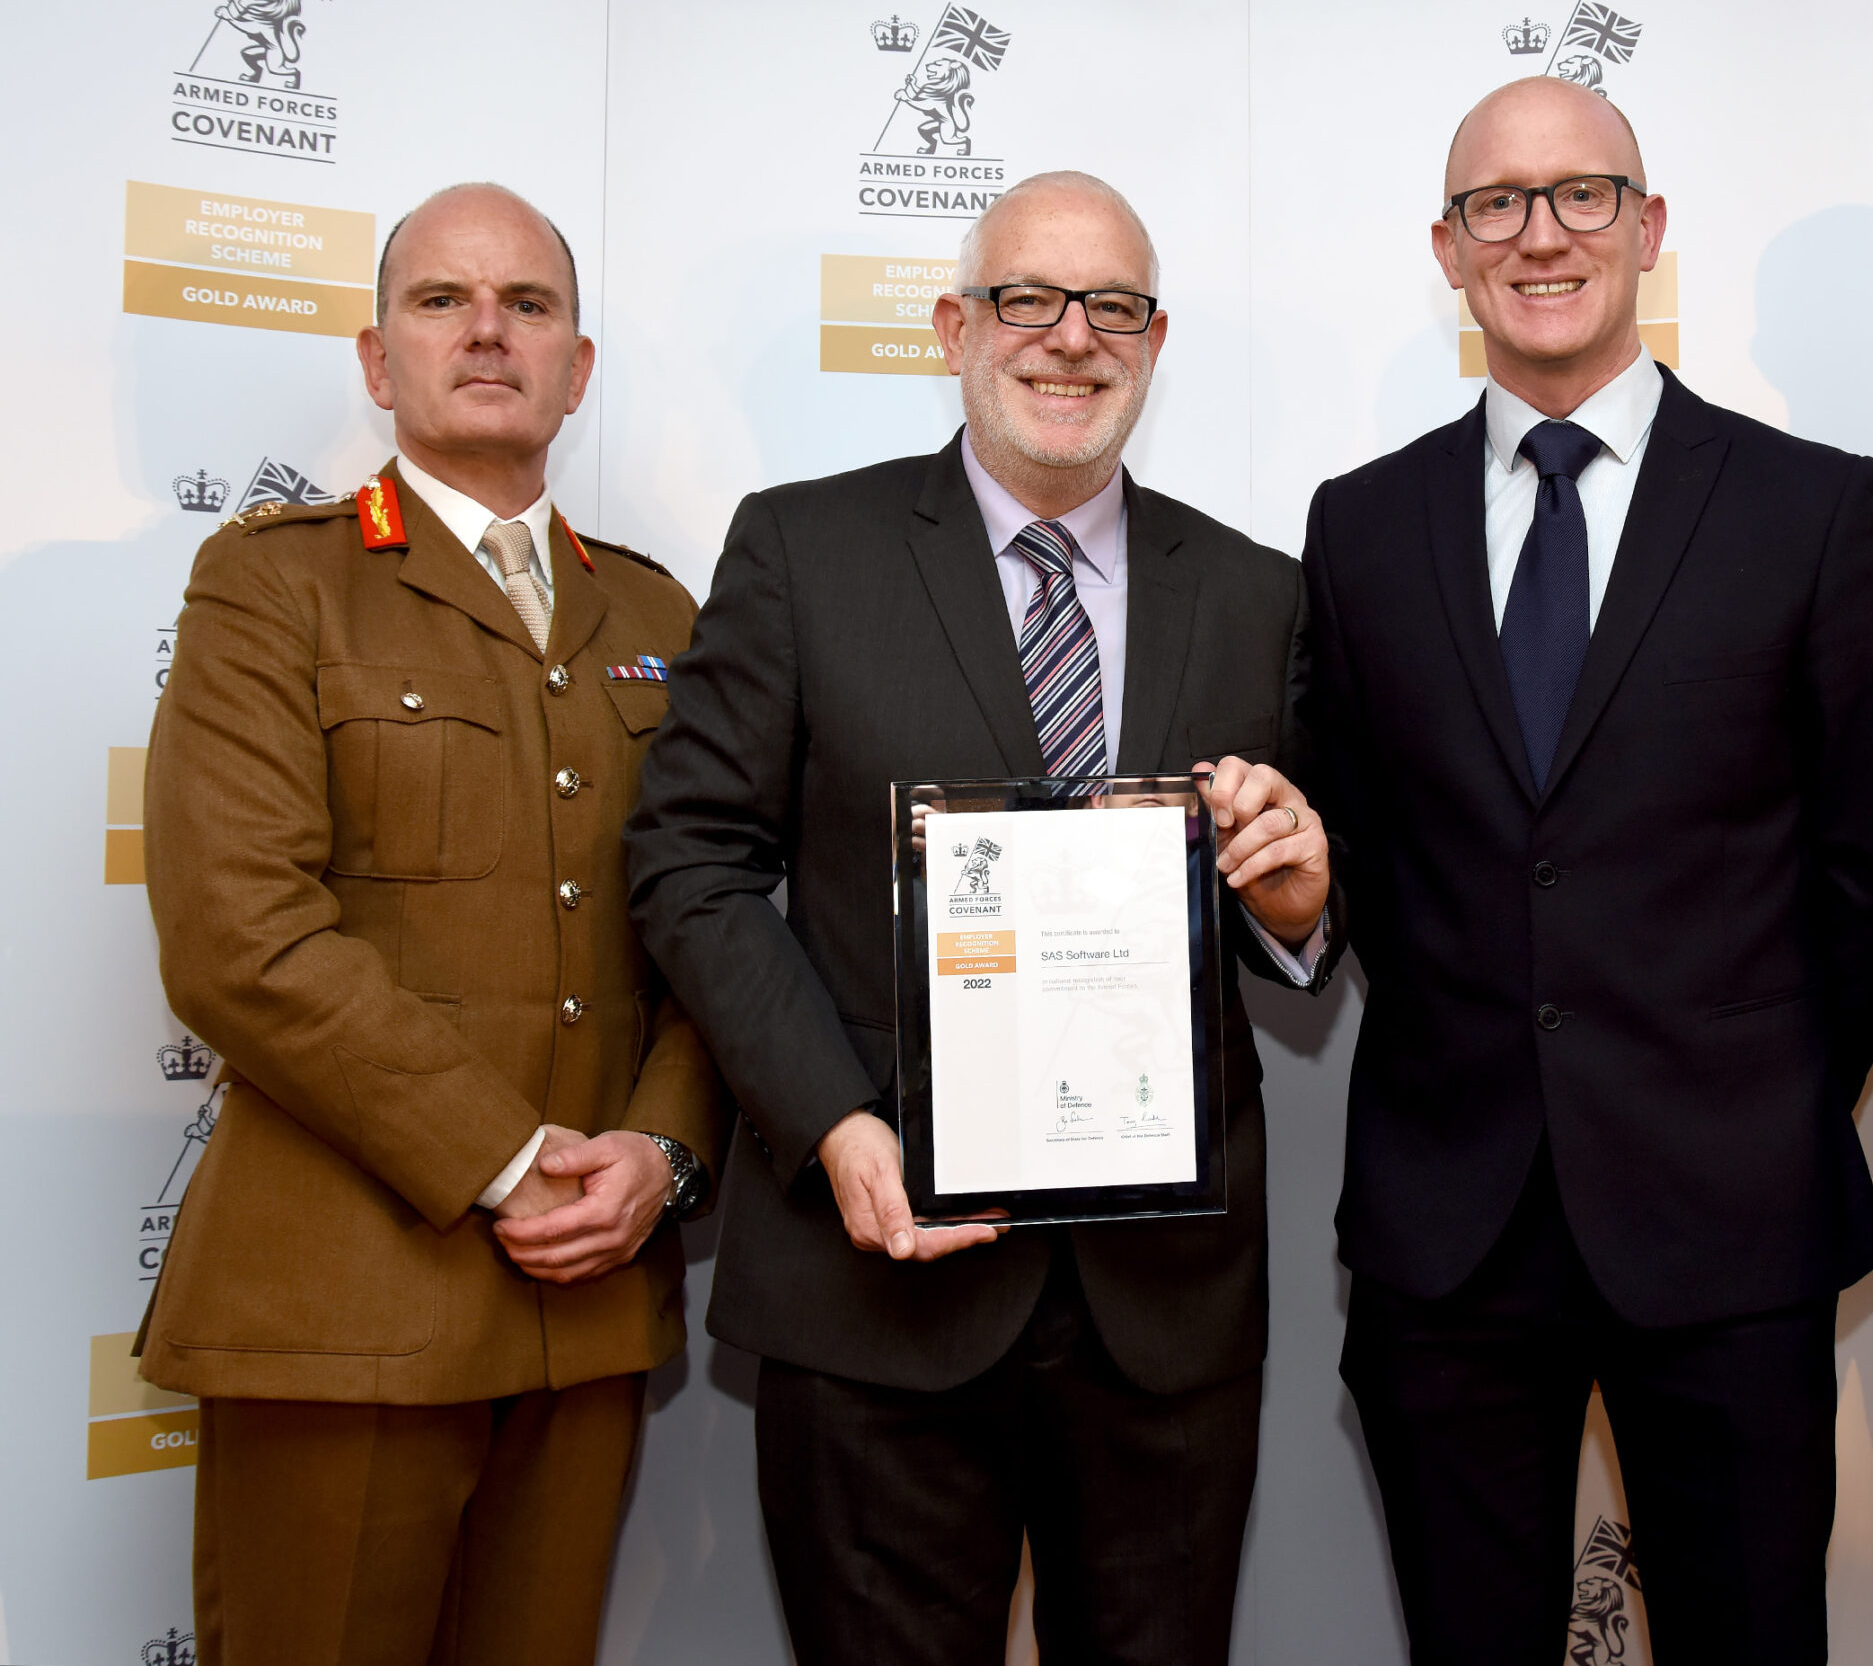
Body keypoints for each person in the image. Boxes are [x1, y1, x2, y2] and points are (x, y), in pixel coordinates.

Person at [625, 170, 1342, 1666]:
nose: (1071, 338)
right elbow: (692, 862)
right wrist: (833, 1123)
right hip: (878, 1281)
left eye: (1114, 306)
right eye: (1028, 298)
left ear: (1154, 342)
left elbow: (1282, 908)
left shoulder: (1257, 592)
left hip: (1165, 1317)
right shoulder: (802, 550)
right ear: (957, 328)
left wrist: (1295, 904)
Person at [1300, 76, 1873, 1663]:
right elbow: (1352, 854)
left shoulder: (1810, 508)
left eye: (1582, 195)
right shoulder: (1361, 530)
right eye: (1497, 204)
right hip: (1450, 1234)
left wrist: (1754, 1090)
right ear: (1448, 248)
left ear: (1648, 228)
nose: (1542, 235)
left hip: (1731, 1222)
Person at [142, 182, 727, 1666]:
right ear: (376, 357)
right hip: (341, 1308)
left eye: (528, 304)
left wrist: (660, 1154)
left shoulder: (660, 617)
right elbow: (238, 937)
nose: (486, 331)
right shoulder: (274, 583)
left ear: (576, 369)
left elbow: (713, 926)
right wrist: (510, 1162)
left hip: (589, 1307)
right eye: (441, 300)